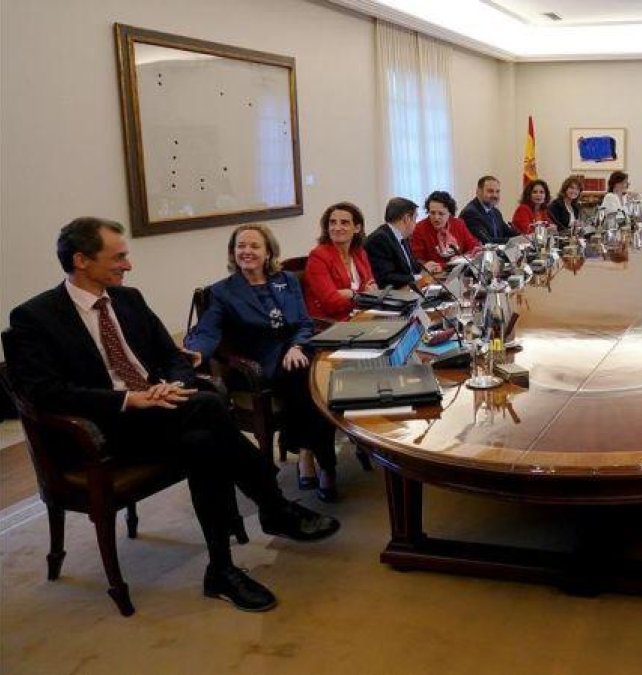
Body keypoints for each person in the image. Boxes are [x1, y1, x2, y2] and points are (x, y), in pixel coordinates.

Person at [6, 217, 340, 612]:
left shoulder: (128, 300)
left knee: (204, 441)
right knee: (210, 405)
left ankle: (222, 570)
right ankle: (273, 505)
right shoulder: (34, 318)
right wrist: (129, 400)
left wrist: (173, 385)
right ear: (81, 260)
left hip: (164, 413)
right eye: (119, 257)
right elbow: (44, 393)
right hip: (101, 430)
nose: (128, 265)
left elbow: (173, 357)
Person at [186, 224, 340, 503]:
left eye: (254, 246)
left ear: (268, 251)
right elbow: (208, 330)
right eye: (240, 246)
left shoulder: (287, 280)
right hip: (259, 363)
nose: (247, 251)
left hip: (297, 351)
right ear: (232, 253)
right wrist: (196, 352)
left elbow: (304, 322)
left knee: (321, 372)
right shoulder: (222, 292)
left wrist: (296, 346)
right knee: (309, 379)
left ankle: (306, 452)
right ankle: (327, 465)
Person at [303, 202, 377, 322]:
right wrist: (358, 296)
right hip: (332, 323)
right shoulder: (318, 257)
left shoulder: (359, 253)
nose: (337, 228)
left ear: (357, 228)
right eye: (332, 222)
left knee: (401, 321)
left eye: (344, 223)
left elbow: (371, 286)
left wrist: (351, 294)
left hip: (361, 315)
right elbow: (331, 303)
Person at [409, 191, 481, 273]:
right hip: (434, 275)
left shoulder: (458, 224)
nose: (436, 218)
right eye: (432, 213)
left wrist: (463, 257)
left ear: (449, 213)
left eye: (441, 213)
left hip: (459, 271)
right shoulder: (420, 228)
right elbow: (417, 260)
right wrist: (431, 265)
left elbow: (473, 246)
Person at [365, 196, 425, 286]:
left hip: (408, 289)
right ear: (406, 219)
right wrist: (416, 277)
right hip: (394, 294)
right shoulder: (379, 239)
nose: (415, 224)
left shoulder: (402, 236)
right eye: (415, 219)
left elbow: (409, 267)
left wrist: (425, 267)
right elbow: (385, 277)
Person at [461, 175, 517, 244]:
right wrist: (513, 241)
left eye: (497, 191)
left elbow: (508, 232)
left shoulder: (495, 212)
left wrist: (524, 238)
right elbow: (487, 241)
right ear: (478, 192)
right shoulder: (470, 213)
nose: (495, 195)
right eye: (490, 191)